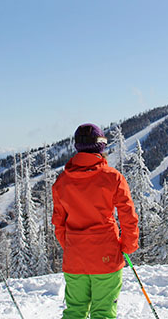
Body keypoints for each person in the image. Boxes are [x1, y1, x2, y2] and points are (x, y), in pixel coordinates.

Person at [52, 123, 139, 319]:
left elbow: (59, 223)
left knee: (74, 312)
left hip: (75, 258)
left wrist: (71, 246)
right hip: (105, 256)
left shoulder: (62, 181)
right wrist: (128, 245)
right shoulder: (112, 177)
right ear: (101, 146)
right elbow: (127, 215)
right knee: (103, 313)